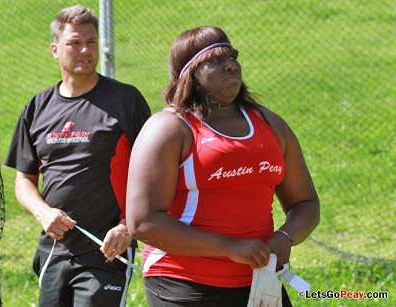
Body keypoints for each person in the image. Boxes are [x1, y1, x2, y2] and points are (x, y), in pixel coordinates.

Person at [126, 26, 320, 306]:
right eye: (215, 60)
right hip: (184, 283)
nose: (230, 65)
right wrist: (228, 248)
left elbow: (306, 203)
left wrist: (286, 237)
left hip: (260, 280)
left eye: (232, 57)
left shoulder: (270, 124)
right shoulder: (169, 128)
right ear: (189, 73)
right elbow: (143, 222)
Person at [4, 4, 151, 306]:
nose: (85, 49)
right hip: (53, 249)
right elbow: (24, 181)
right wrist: (43, 213)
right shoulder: (37, 107)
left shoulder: (125, 100)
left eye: (91, 41)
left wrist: (127, 226)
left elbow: (153, 172)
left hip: (107, 249)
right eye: (74, 43)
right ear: (55, 49)